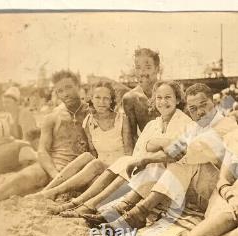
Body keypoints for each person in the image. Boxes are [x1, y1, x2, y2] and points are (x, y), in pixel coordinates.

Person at [98, 83, 237, 231]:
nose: (199, 112)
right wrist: (149, 158)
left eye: (203, 105)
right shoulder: (195, 127)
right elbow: (174, 148)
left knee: (182, 161)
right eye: (193, 108)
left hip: (218, 193)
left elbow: (187, 152)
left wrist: (146, 159)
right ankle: (125, 207)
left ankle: (138, 213)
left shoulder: (226, 125)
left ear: (214, 102)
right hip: (193, 192)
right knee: (163, 159)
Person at [49, 80, 192, 217]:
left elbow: (176, 154)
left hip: (165, 181)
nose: (163, 102)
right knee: (124, 161)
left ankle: (88, 206)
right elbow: (141, 150)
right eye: (159, 98)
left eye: (168, 97)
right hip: (147, 172)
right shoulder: (153, 124)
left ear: (178, 100)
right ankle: (77, 203)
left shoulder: (185, 122)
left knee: (131, 163)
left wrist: (151, 150)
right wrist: (160, 142)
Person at [0, 70, 95, 211]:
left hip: (81, 169)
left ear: (78, 86)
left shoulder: (94, 113)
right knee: (20, 179)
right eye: (60, 91)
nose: (65, 93)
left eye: (69, 87)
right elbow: (42, 151)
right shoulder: (53, 117)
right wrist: (55, 175)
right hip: (52, 167)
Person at [144, 129, 238, 236]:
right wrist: (231, 197)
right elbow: (224, 180)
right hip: (231, 196)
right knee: (230, 214)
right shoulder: (235, 137)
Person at [36, 81, 134, 200]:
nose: (101, 102)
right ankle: (47, 191)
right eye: (97, 98)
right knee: (87, 156)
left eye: (106, 98)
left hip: (119, 169)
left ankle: (53, 192)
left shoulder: (122, 120)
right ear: (91, 99)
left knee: (96, 163)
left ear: (111, 100)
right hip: (99, 170)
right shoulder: (88, 121)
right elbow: (93, 152)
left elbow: (129, 153)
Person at [123, 48, 160, 144]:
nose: (142, 73)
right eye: (138, 68)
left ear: (157, 69)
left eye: (148, 67)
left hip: (174, 147)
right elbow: (132, 135)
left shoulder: (170, 91)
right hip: (148, 149)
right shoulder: (130, 98)